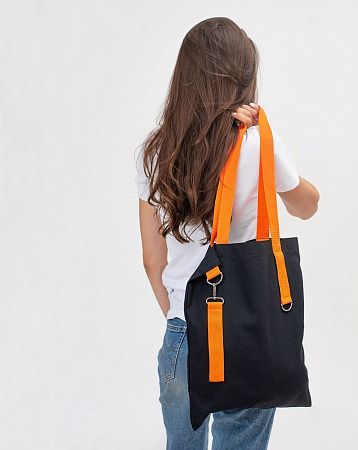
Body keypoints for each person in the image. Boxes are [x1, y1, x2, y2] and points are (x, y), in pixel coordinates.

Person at [135, 16, 319, 450]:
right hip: (250, 334)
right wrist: (264, 136)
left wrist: (178, 317)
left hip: (182, 334)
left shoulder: (155, 152)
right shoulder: (258, 144)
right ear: (243, 79)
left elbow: (152, 261)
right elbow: (307, 206)